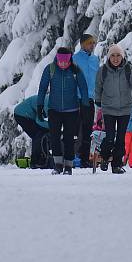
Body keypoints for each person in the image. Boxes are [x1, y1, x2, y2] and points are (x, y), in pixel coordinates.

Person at [95, 44, 132, 174]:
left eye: (118, 55)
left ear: (122, 56)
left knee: (120, 138)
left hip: (125, 109)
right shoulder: (103, 70)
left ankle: (116, 165)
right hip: (108, 109)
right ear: (109, 57)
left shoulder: (128, 69)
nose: (115, 58)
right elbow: (98, 87)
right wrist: (97, 102)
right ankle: (105, 156)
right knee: (109, 137)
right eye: (112, 55)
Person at [37, 47, 89, 175]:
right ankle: (58, 164)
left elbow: (83, 88)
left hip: (72, 110)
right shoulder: (50, 69)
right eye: (61, 62)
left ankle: (69, 166)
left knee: (69, 138)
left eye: (66, 62)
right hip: (54, 109)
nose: (64, 64)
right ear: (58, 59)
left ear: (70, 60)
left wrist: (85, 106)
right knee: (54, 137)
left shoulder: (76, 70)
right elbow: (42, 88)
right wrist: (39, 106)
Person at [73, 34, 99, 168]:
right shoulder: (75, 59)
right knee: (76, 129)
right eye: (90, 43)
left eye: (94, 43)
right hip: (77, 98)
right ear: (82, 44)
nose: (92, 45)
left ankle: (84, 159)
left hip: (90, 99)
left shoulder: (95, 59)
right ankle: (72, 157)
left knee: (88, 129)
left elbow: (98, 79)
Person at [14, 95, 50, 169]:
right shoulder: (47, 104)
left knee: (40, 135)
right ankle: (36, 161)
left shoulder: (51, 104)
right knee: (37, 135)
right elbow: (39, 121)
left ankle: (42, 158)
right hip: (21, 114)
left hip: (28, 115)